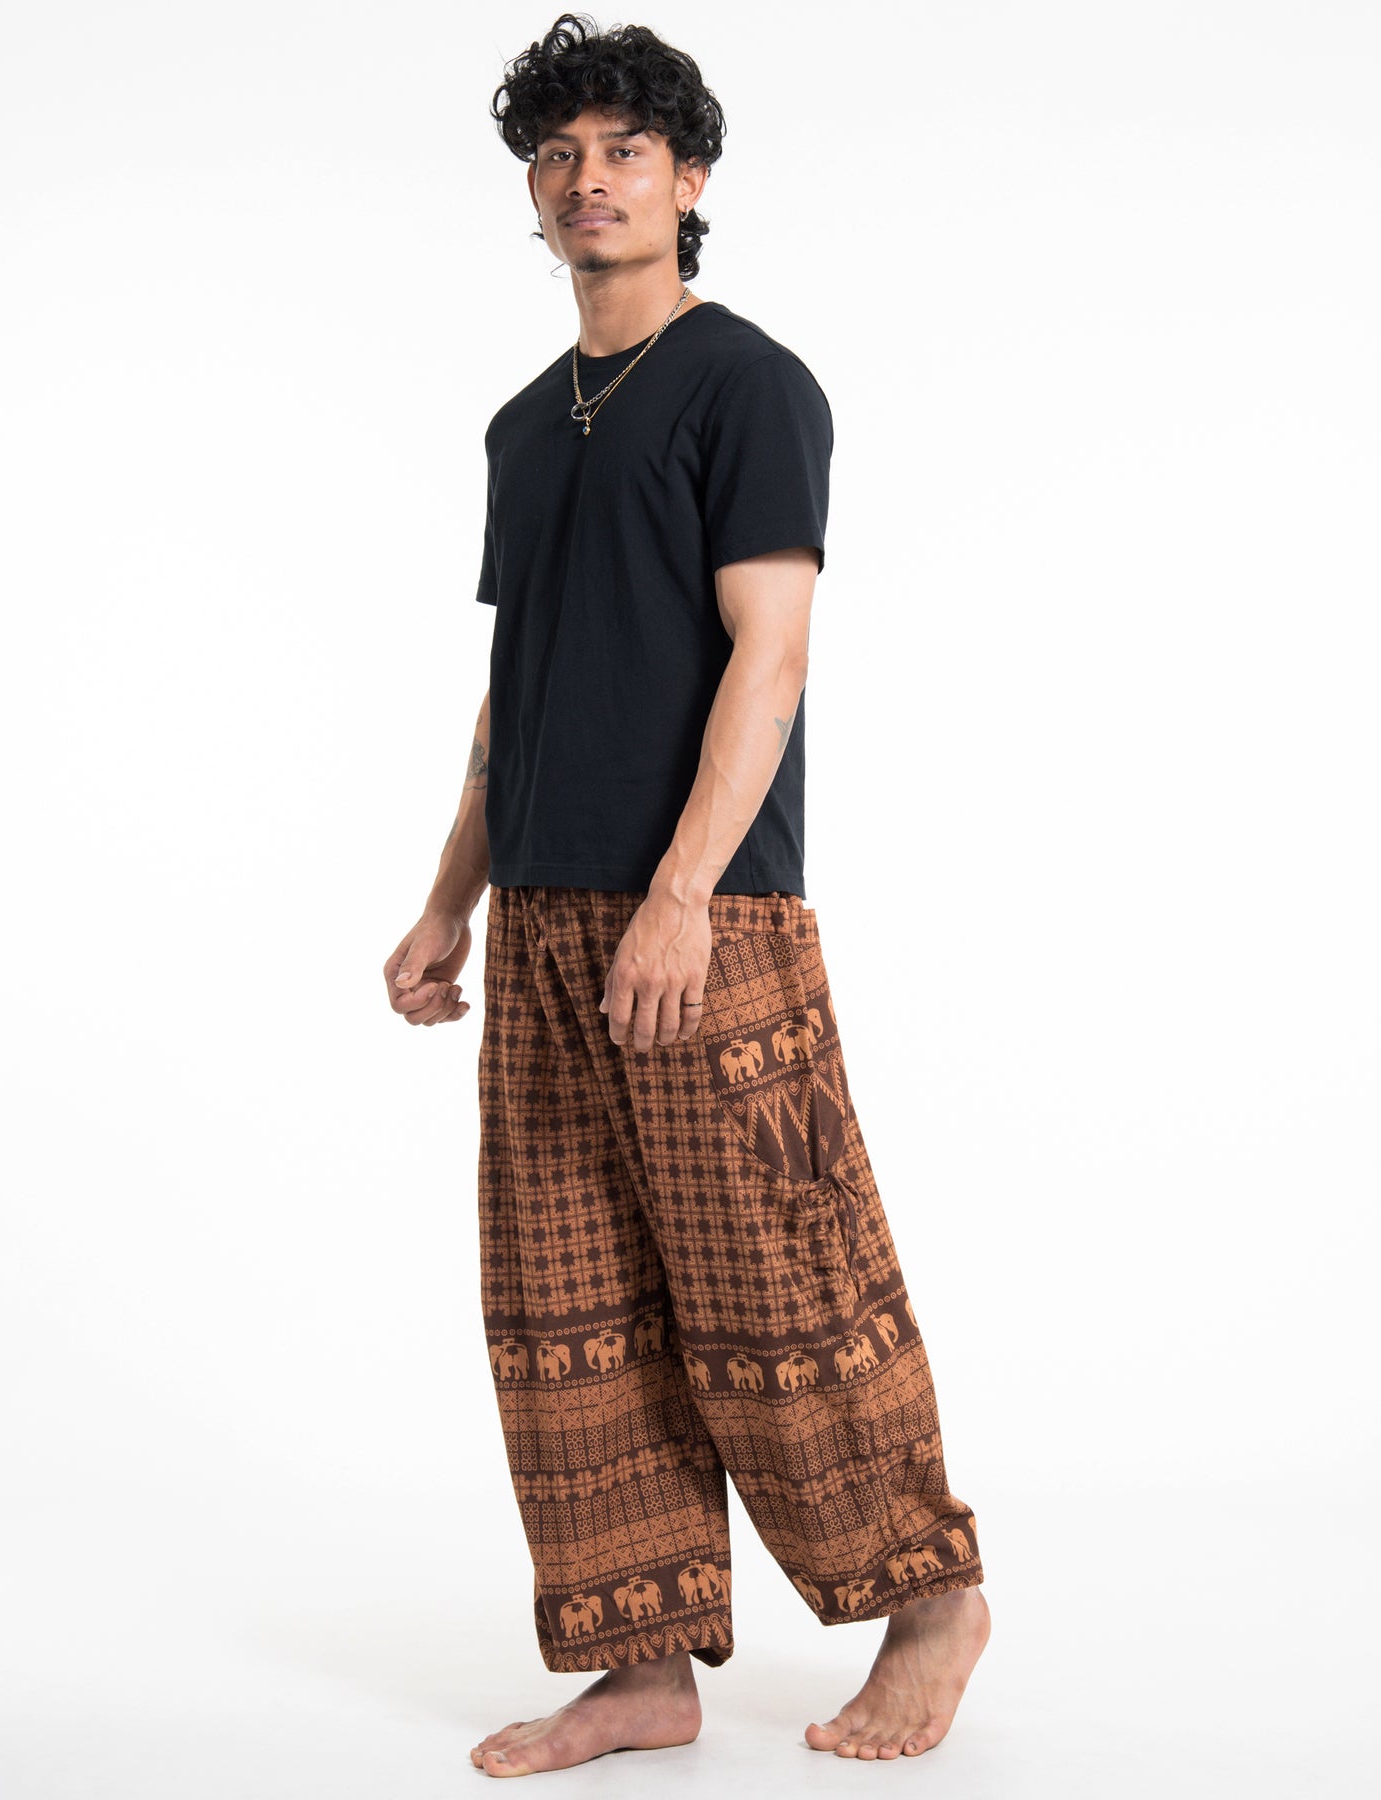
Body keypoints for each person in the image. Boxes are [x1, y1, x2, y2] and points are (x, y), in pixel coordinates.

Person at [384, 12, 991, 1778]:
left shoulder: (748, 385)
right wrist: (447, 901)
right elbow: (517, 689)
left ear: (689, 178)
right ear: (534, 192)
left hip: (706, 917)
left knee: (785, 1276)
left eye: (625, 151)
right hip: (543, 918)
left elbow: (769, 656)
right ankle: (641, 1666)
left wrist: (681, 897)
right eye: (560, 155)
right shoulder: (523, 426)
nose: (590, 179)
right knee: (567, 1313)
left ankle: (931, 1601)